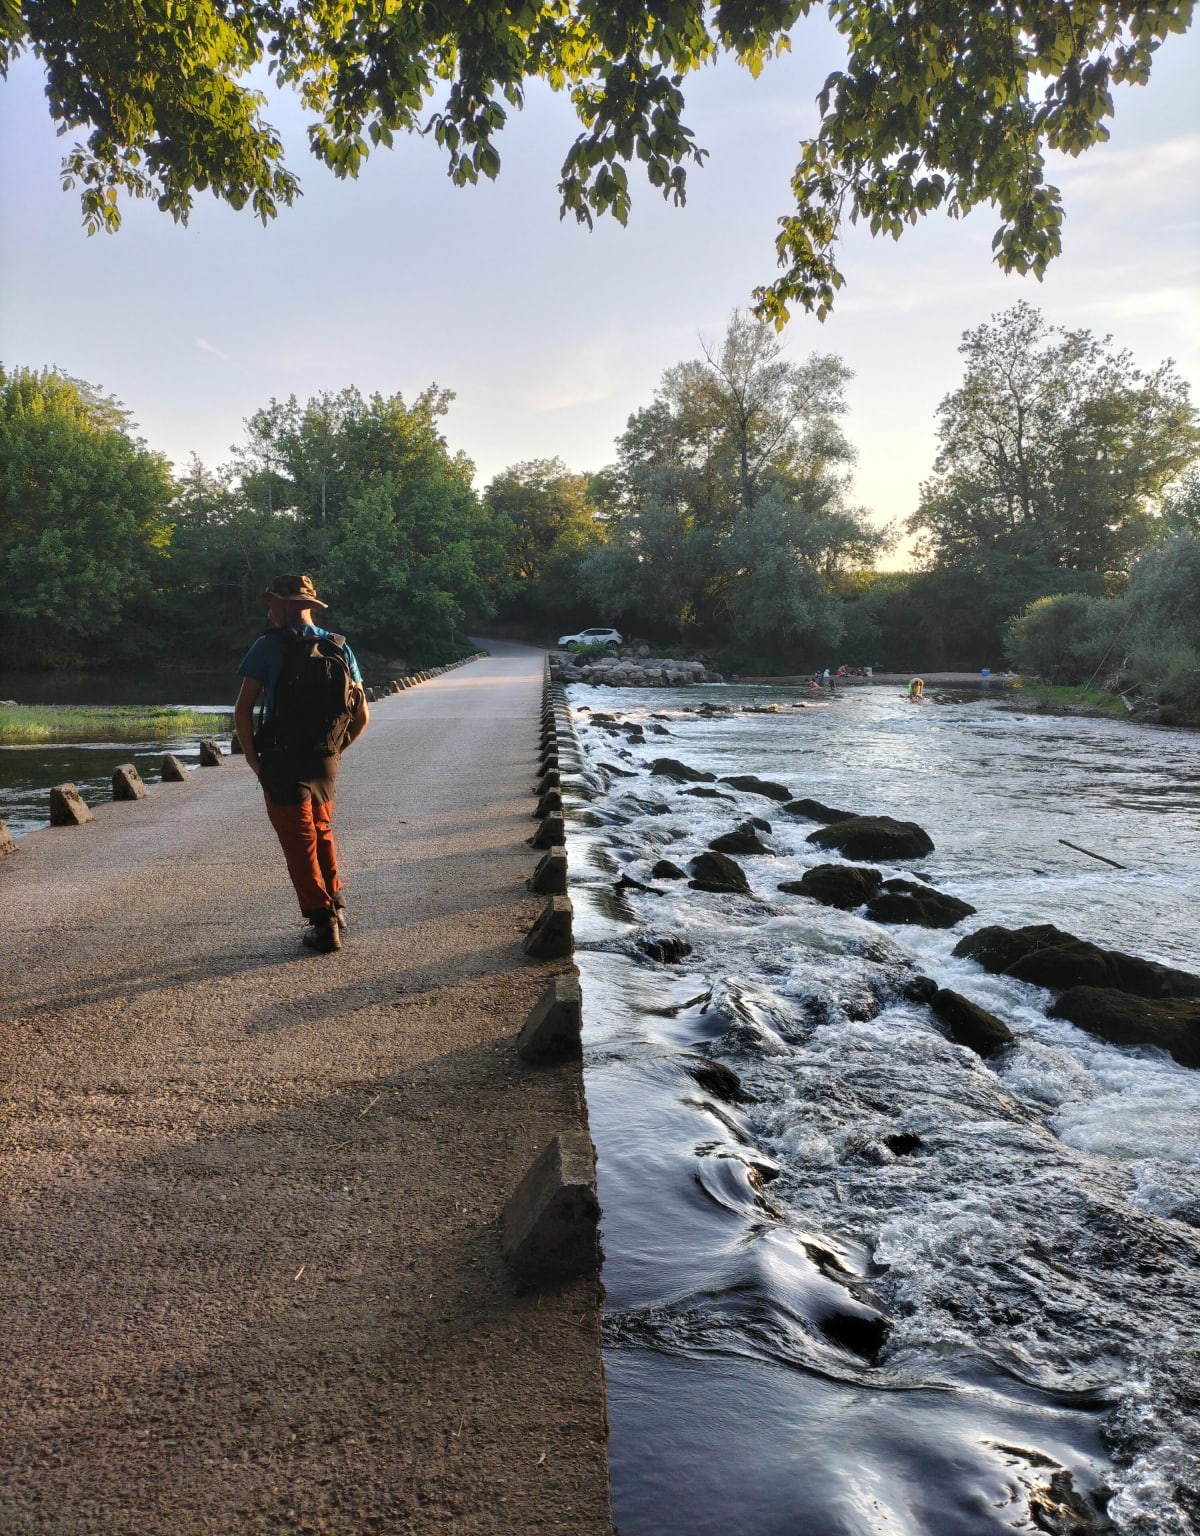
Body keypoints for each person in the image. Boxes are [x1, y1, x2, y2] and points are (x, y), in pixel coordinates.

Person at [234, 574, 370, 953]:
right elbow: (361, 716)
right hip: (323, 760)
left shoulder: (268, 645)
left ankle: (322, 923)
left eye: (271, 604)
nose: (269, 612)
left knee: (298, 841)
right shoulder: (339, 646)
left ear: (285, 605)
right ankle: (335, 904)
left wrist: (254, 759)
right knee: (321, 830)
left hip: (282, 759)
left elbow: (243, 710)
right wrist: (334, 751)